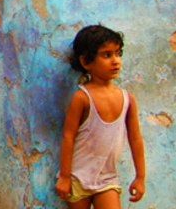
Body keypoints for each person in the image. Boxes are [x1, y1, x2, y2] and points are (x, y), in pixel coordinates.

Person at [56, 25, 146, 208]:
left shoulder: (127, 99)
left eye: (118, 54)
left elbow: (135, 138)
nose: (116, 61)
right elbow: (68, 137)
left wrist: (140, 177)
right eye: (107, 55)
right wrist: (65, 177)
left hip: (107, 179)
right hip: (78, 178)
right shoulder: (82, 98)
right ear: (86, 61)